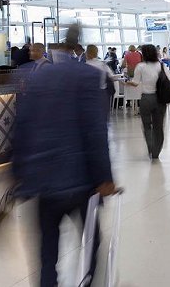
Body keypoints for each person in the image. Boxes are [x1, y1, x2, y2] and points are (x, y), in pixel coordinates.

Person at [11, 26, 116, 287]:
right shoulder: (88, 76)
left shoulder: (38, 76)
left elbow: (22, 125)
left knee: (47, 248)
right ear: (78, 47)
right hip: (82, 180)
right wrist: (104, 177)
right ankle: (88, 282)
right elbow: (94, 130)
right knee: (91, 242)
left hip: (44, 180)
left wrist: (17, 173)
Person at [127, 45, 167, 160]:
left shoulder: (140, 66)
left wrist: (127, 83)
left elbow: (135, 82)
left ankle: (150, 146)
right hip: (159, 99)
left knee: (147, 125)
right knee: (158, 126)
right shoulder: (160, 65)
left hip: (146, 99)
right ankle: (156, 152)